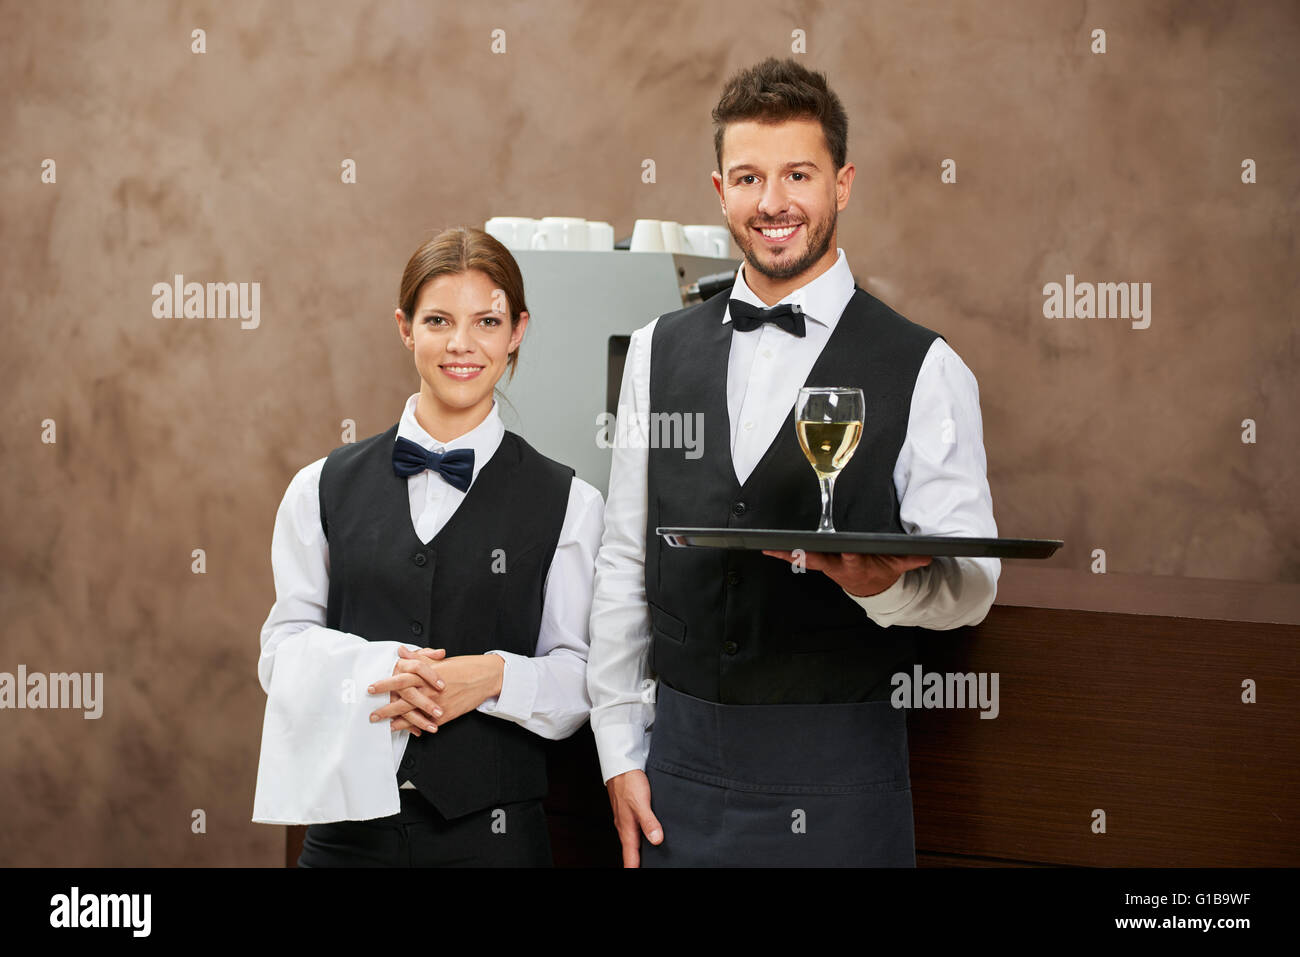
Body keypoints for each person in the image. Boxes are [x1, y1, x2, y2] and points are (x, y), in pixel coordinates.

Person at [587, 58, 1000, 867]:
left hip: (838, 768)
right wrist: (619, 749)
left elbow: (973, 585)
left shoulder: (927, 366)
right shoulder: (652, 352)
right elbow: (624, 559)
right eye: (748, 177)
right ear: (719, 191)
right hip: (678, 773)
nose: (772, 202)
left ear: (842, 184)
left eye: (798, 174)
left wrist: (892, 590)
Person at [252, 227, 605, 867]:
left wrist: (493, 676)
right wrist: (377, 670)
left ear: (517, 331)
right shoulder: (318, 488)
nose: (462, 345)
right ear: (405, 328)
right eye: (438, 319)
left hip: (494, 841)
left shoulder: (572, 505)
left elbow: (584, 678)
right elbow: (280, 651)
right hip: (345, 834)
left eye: (487, 321)